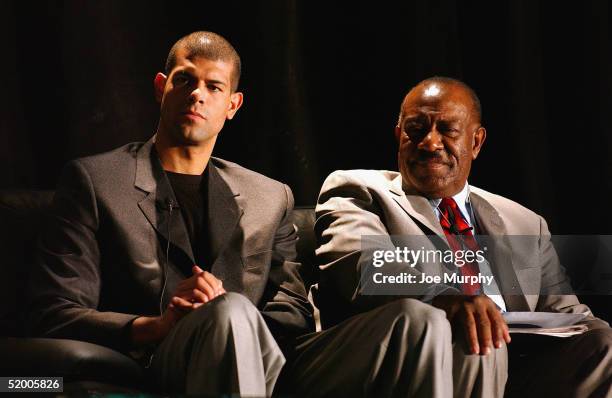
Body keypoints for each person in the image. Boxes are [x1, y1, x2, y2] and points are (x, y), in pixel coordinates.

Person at [26, 31, 314, 396]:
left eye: (213, 87)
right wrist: (157, 326)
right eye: (185, 80)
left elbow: (293, 311)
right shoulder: (95, 181)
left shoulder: (270, 196)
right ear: (161, 87)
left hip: (258, 359)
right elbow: (54, 311)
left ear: (233, 105)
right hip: (151, 361)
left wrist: (235, 322)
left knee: (405, 322)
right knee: (229, 312)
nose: (197, 94)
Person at [314, 76, 612, 397]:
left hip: (520, 364)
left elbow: (568, 316)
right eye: (415, 129)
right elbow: (365, 269)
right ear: (399, 135)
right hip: (404, 359)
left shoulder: (524, 221)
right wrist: (448, 299)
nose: (429, 143)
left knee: (600, 341)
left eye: (448, 130)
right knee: (473, 332)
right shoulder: (359, 191)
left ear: (476, 142)